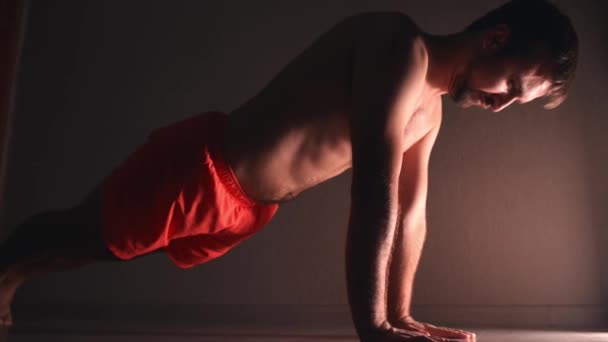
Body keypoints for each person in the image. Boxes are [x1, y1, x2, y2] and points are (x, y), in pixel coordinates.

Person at [0, 0, 577, 340]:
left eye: (514, 104)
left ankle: (13, 273)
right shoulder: (399, 45)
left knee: (114, 248)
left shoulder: (430, 113)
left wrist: (402, 315)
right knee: (82, 236)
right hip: (199, 170)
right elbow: (374, 184)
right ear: (495, 38)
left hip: (250, 210)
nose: (501, 106)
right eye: (512, 88)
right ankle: (8, 269)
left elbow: (411, 212)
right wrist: (372, 327)